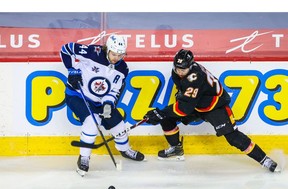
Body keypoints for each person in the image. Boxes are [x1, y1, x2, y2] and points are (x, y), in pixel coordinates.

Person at [144, 49, 280, 173]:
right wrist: (164, 113)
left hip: (215, 105)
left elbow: (184, 108)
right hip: (196, 103)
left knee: (233, 137)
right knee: (167, 118)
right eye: (177, 68)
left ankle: (264, 159)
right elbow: (186, 98)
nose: (179, 71)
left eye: (183, 69)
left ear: (191, 66)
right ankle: (176, 149)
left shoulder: (195, 76)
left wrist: (161, 112)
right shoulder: (178, 72)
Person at [60, 34, 145, 177]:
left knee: (118, 124)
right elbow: (66, 49)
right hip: (77, 95)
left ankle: (125, 150)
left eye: (120, 55)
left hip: (100, 101)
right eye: (113, 54)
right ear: (107, 49)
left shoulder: (123, 68)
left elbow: (114, 89)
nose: (116, 58)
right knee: (92, 122)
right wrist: (71, 69)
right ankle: (84, 157)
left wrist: (108, 103)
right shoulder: (92, 52)